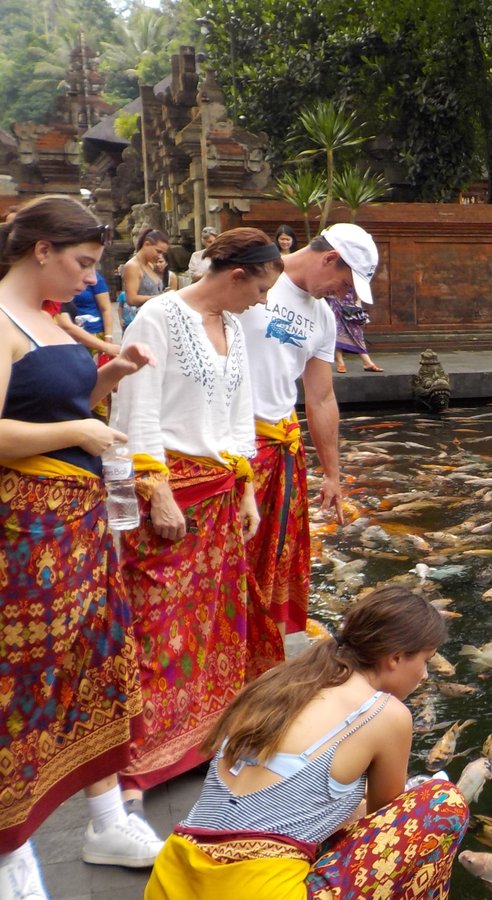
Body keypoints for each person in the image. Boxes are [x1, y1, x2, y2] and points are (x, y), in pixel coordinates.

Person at [0, 196, 159, 896]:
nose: (90, 280)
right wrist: (79, 434)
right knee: (25, 680)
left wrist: (107, 382)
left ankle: (104, 817)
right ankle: (12, 850)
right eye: (82, 263)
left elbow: (59, 408)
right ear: (40, 249)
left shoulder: (49, 317)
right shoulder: (1, 320)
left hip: (81, 519)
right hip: (25, 529)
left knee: (99, 657)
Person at [109, 228, 284, 816]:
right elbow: (137, 407)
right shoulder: (157, 318)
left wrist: (247, 489)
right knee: (159, 625)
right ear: (236, 276)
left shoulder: (233, 327)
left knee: (217, 620)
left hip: (217, 493)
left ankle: (208, 736)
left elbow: (238, 415)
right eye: (259, 288)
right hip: (169, 492)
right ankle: (141, 759)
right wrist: (156, 491)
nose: (260, 302)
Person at [144, 586, 469, 899]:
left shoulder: (279, 682)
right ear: (395, 658)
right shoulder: (385, 713)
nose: (425, 675)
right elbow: (382, 822)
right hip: (253, 890)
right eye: (426, 660)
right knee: (444, 805)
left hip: (171, 878)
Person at [240, 223, 377, 676]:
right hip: (232, 441)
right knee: (232, 556)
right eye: (344, 281)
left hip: (281, 445)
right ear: (329, 257)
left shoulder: (323, 315)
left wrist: (333, 475)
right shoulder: (254, 280)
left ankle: (260, 653)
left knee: (276, 562)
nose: (344, 292)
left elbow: (320, 398)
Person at [119, 228, 169, 326]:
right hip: (143, 321)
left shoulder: (149, 265)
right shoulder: (132, 266)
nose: (160, 256)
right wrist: (158, 298)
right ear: (147, 244)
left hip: (156, 320)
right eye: (158, 251)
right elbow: (131, 299)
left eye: (163, 253)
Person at [328, 290, 383, 372]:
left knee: (357, 333)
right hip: (333, 302)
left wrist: (359, 300)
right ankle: (341, 363)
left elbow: (360, 283)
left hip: (349, 303)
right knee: (337, 333)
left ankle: (367, 362)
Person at [71, 267, 116, 340]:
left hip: (94, 332)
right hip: (67, 333)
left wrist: (108, 336)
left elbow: (105, 308)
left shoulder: (94, 277)